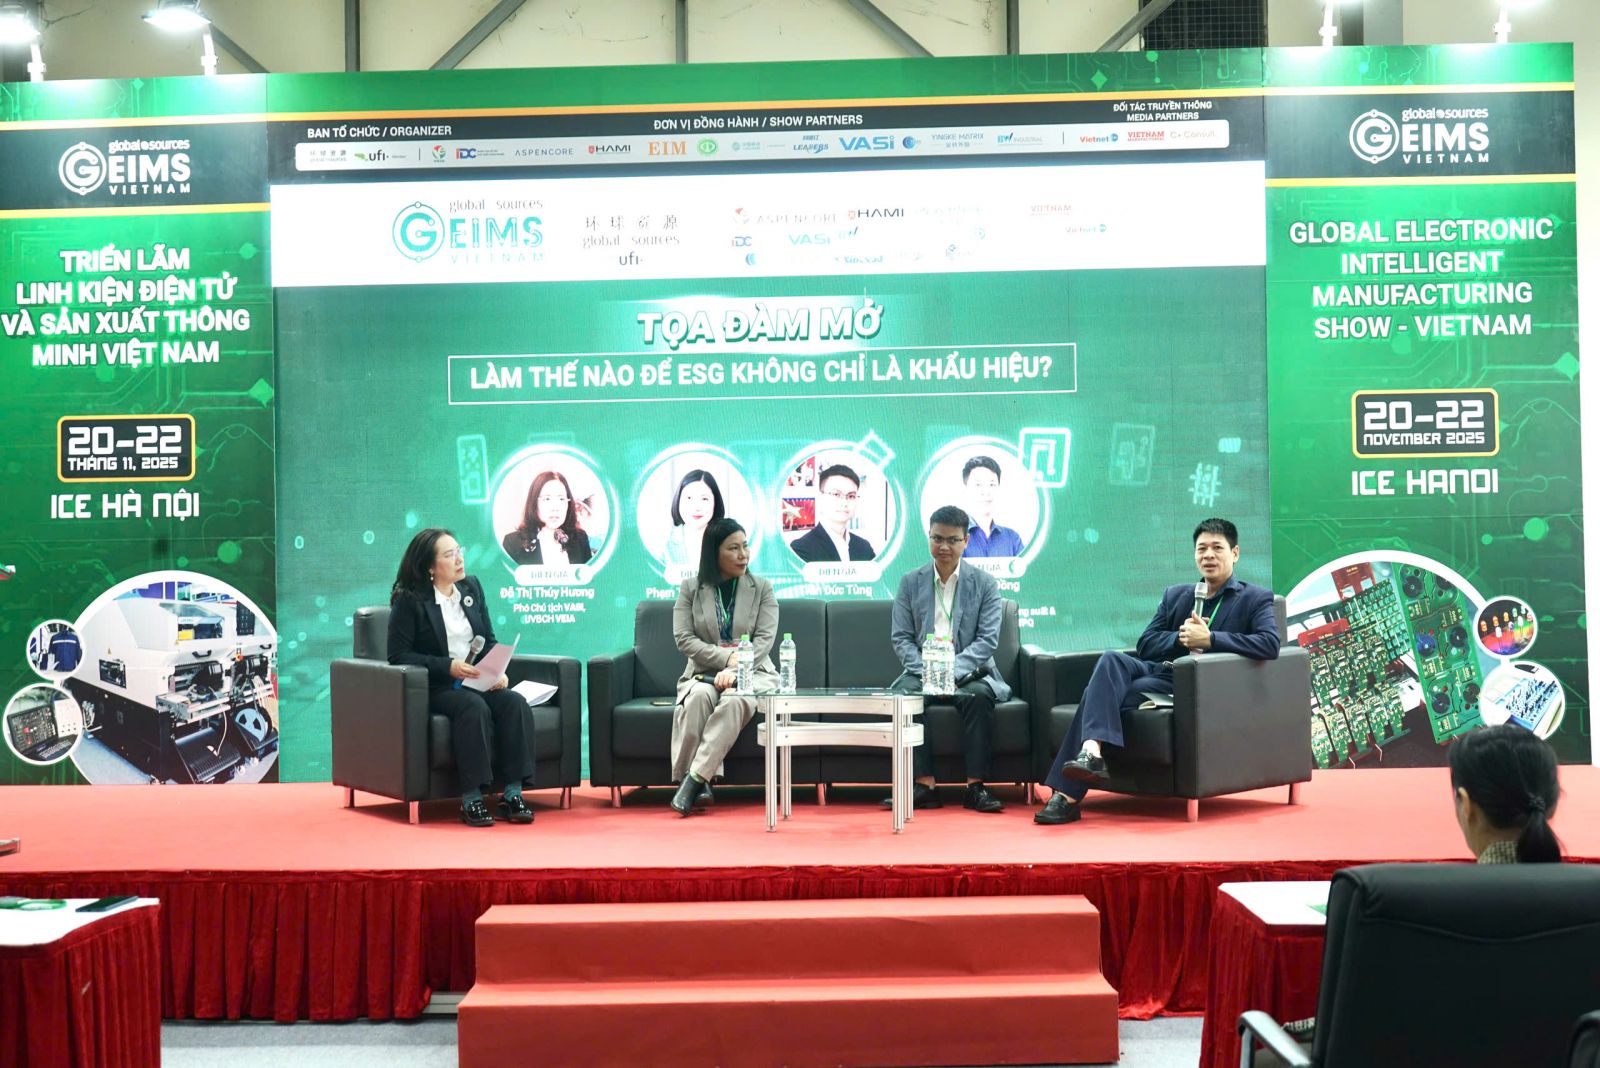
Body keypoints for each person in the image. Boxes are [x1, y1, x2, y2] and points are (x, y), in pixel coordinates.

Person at [1252, 722, 1562, 1065]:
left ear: (1466, 805)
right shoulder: (1586, 899)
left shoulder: (1407, 903)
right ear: (1549, 805)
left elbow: (1366, 1020)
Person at [1036, 518, 1279, 825]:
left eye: (1217, 548)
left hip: (1196, 684)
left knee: (1095, 695)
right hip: (1158, 672)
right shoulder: (1176, 595)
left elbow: (1270, 644)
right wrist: (1179, 637)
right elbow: (1146, 643)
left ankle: (1066, 796)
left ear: (1235, 553)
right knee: (1111, 660)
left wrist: (1211, 639)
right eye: (1202, 548)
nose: (1208, 555)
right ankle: (1090, 750)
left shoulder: (1254, 598)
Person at [388, 527, 536, 827]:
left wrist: (496, 671)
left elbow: (488, 640)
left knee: (514, 703)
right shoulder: (410, 600)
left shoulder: (471, 588)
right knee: (472, 706)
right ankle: (472, 799)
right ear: (430, 567)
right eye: (449, 555)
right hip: (437, 686)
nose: (459, 559)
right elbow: (399, 655)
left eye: (459, 551)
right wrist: (447, 666)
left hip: (475, 681)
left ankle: (512, 794)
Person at [885, 505, 1009, 813]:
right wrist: (929, 671)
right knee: (903, 697)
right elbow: (901, 638)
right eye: (937, 538)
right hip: (922, 670)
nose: (944, 546)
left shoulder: (985, 583)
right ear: (928, 537)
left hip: (970, 671)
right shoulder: (910, 582)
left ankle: (975, 787)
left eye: (952, 540)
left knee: (979, 697)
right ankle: (924, 786)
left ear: (966, 541)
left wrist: (951, 671)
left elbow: (987, 641)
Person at [669, 517, 778, 816]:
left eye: (745, 546)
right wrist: (725, 659)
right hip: (703, 673)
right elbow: (683, 638)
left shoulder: (762, 588)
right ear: (713, 553)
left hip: (754, 673)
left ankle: (693, 780)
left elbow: (764, 640)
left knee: (735, 700)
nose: (743, 555)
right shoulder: (691, 589)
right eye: (733, 548)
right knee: (698, 698)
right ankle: (702, 783)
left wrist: (737, 669)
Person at [501, 470, 593, 566]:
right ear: (534, 503)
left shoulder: (580, 539)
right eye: (547, 499)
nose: (555, 508)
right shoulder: (513, 543)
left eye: (561, 499)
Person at [790, 463, 877, 562]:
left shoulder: (864, 547)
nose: (844, 502)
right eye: (836, 494)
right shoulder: (800, 549)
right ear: (821, 498)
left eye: (851, 496)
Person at [960, 455, 1024, 558]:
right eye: (978, 485)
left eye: (992, 485)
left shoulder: (1012, 539)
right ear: (965, 489)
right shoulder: (951, 538)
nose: (986, 492)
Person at [663, 469, 725, 567]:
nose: (696, 507)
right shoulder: (663, 542)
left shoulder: (729, 541)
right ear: (678, 500)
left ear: (715, 502)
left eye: (704, 499)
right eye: (689, 498)